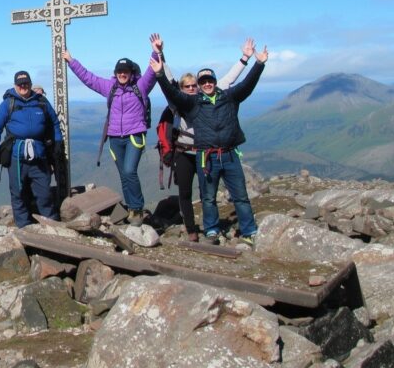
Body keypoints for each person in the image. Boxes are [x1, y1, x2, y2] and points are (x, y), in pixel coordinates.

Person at [151, 39, 269, 246]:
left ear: (213, 81)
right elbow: (171, 91)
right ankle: (212, 230)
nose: (206, 84)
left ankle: (249, 230)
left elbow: (245, 84)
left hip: (229, 153)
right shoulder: (193, 103)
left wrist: (257, 63)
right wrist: (160, 72)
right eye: (202, 81)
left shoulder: (228, 96)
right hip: (207, 156)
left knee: (240, 195)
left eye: (209, 80)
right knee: (208, 197)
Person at [62, 37, 160, 226]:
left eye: (126, 71)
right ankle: (131, 208)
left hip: (134, 135)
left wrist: (156, 51)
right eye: (120, 71)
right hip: (115, 137)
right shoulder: (110, 88)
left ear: (132, 73)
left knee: (130, 170)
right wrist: (72, 61)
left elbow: (152, 72)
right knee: (124, 174)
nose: (123, 74)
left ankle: (137, 209)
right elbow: (89, 79)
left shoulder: (141, 86)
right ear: (116, 73)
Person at [0, 70, 64, 227]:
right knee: (18, 194)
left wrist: (58, 142)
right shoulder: (9, 104)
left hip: (39, 154)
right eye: (20, 84)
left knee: (44, 193)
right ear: (15, 85)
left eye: (26, 83)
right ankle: (24, 228)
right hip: (17, 156)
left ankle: (52, 227)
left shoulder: (41, 102)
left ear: (30, 84)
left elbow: (55, 122)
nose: (23, 86)